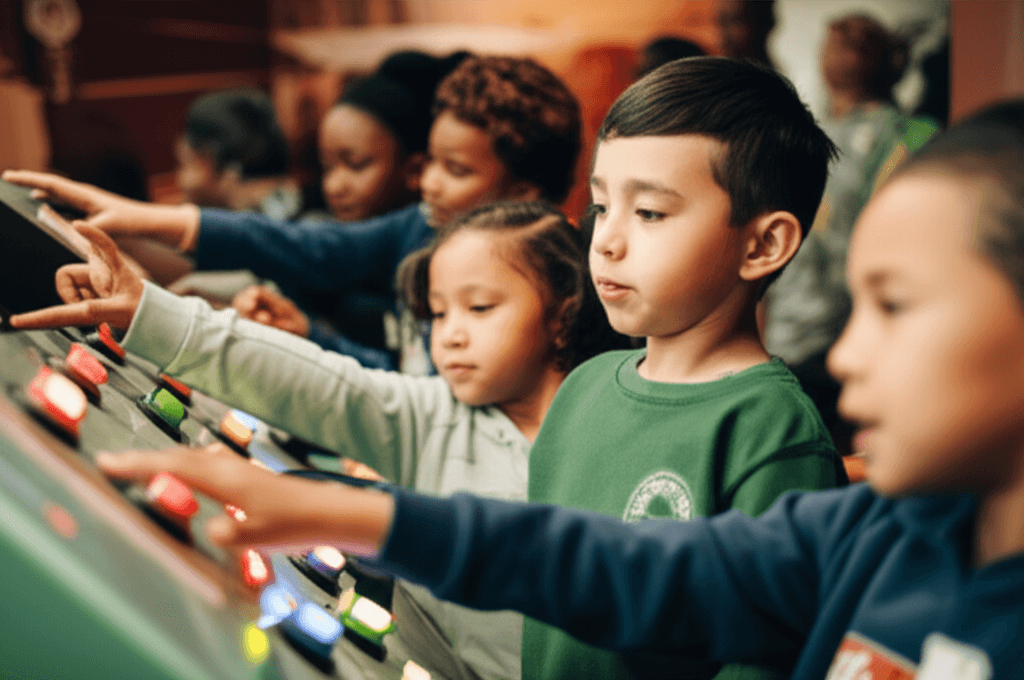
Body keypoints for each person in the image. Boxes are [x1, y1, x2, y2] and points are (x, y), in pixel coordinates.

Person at [59, 98, 1024, 679]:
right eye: (604, 208)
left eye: (897, 307)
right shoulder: (876, 534)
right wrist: (358, 515)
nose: (848, 357)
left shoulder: (778, 430)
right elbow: (607, 562)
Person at [11, 200, 624, 680]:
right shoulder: (436, 415)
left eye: (480, 308)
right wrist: (151, 310)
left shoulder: (616, 438)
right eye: (438, 313)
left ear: (563, 314)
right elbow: (323, 384)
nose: (451, 336)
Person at [3, 54, 582, 375]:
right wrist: (145, 218)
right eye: (431, 160)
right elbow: (308, 249)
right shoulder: (421, 227)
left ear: (524, 194)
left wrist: (315, 340)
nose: (427, 183)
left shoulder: (531, 300)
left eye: (455, 171)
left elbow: (423, 395)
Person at [764, 14, 939, 446]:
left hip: (847, 330)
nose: (840, 51)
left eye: (857, 43)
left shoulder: (912, 136)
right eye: (833, 41)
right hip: (781, 328)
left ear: (888, 59)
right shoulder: (799, 133)